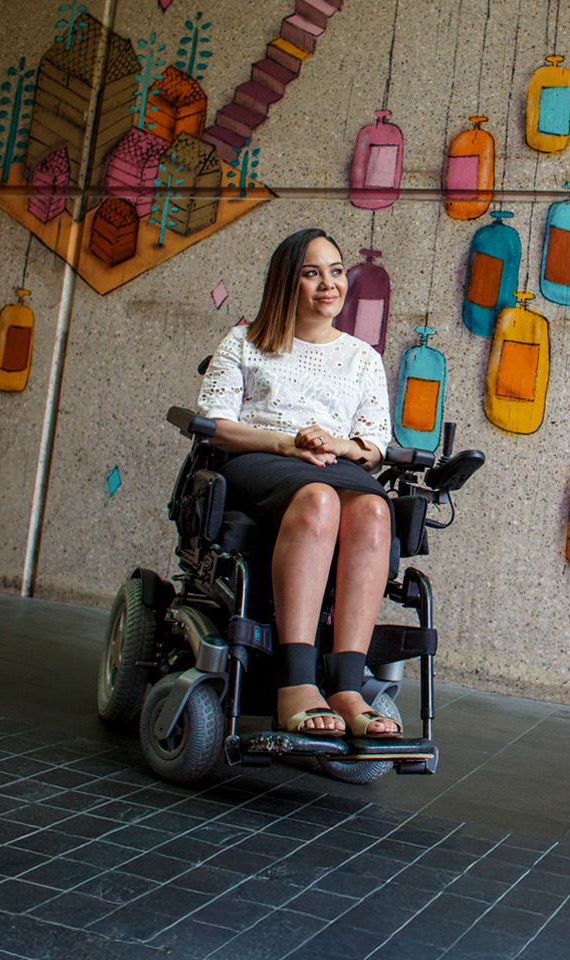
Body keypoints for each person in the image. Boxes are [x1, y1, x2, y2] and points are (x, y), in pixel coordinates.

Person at [195, 228, 400, 738]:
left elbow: (373, 443)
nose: (329, 284)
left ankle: (348, 687)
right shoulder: (243, 342)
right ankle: (296, 685)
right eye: (312, 273)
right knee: (318, 500)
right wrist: (286, 444)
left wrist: (339, 444)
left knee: (375, 511)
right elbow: (215, 424)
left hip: (334, 460)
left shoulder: (362, 358)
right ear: (286, 281)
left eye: (335, 272)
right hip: (260, 459)